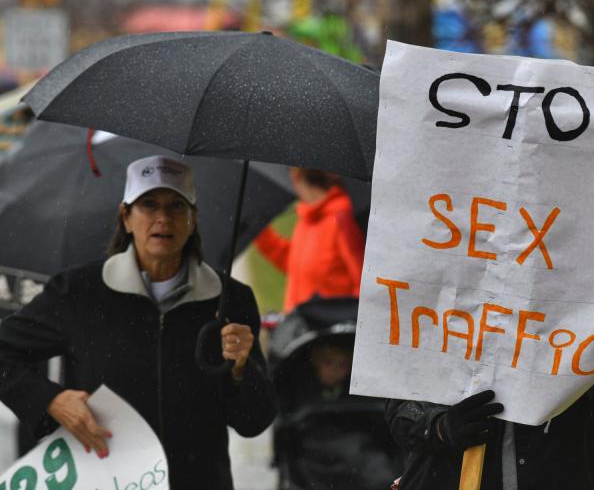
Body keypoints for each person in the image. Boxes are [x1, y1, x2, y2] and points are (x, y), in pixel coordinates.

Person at [0, 155, 277, 489]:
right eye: (148, 205)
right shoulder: (78, 292)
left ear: (193, 219)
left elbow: (253, 422)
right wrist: (50, 401)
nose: (163, 217)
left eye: (177, 206)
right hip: (103, 480)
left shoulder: (231, 299)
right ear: (126, 217)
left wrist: (240, 370)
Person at [385, 327, 594, 489]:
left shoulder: (576, 297)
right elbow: (401, 412)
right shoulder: (436, 303)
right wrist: (441, 427)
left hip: (559, 472)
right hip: (447, 476)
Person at [271, 296, 401, 490]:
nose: (335, 371)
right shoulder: (302, 387)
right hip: (315, 452)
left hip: (359, 447)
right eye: (328, 363)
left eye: (342, 365)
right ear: (314, 361)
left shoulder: (358, 390)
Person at [255, 168, 364, 311]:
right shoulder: (307, 217)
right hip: (300, 327)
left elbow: (363, 285)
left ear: (296, 176)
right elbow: (294, 264)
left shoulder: (342, 219)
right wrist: (257, 230)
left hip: (329, 329)